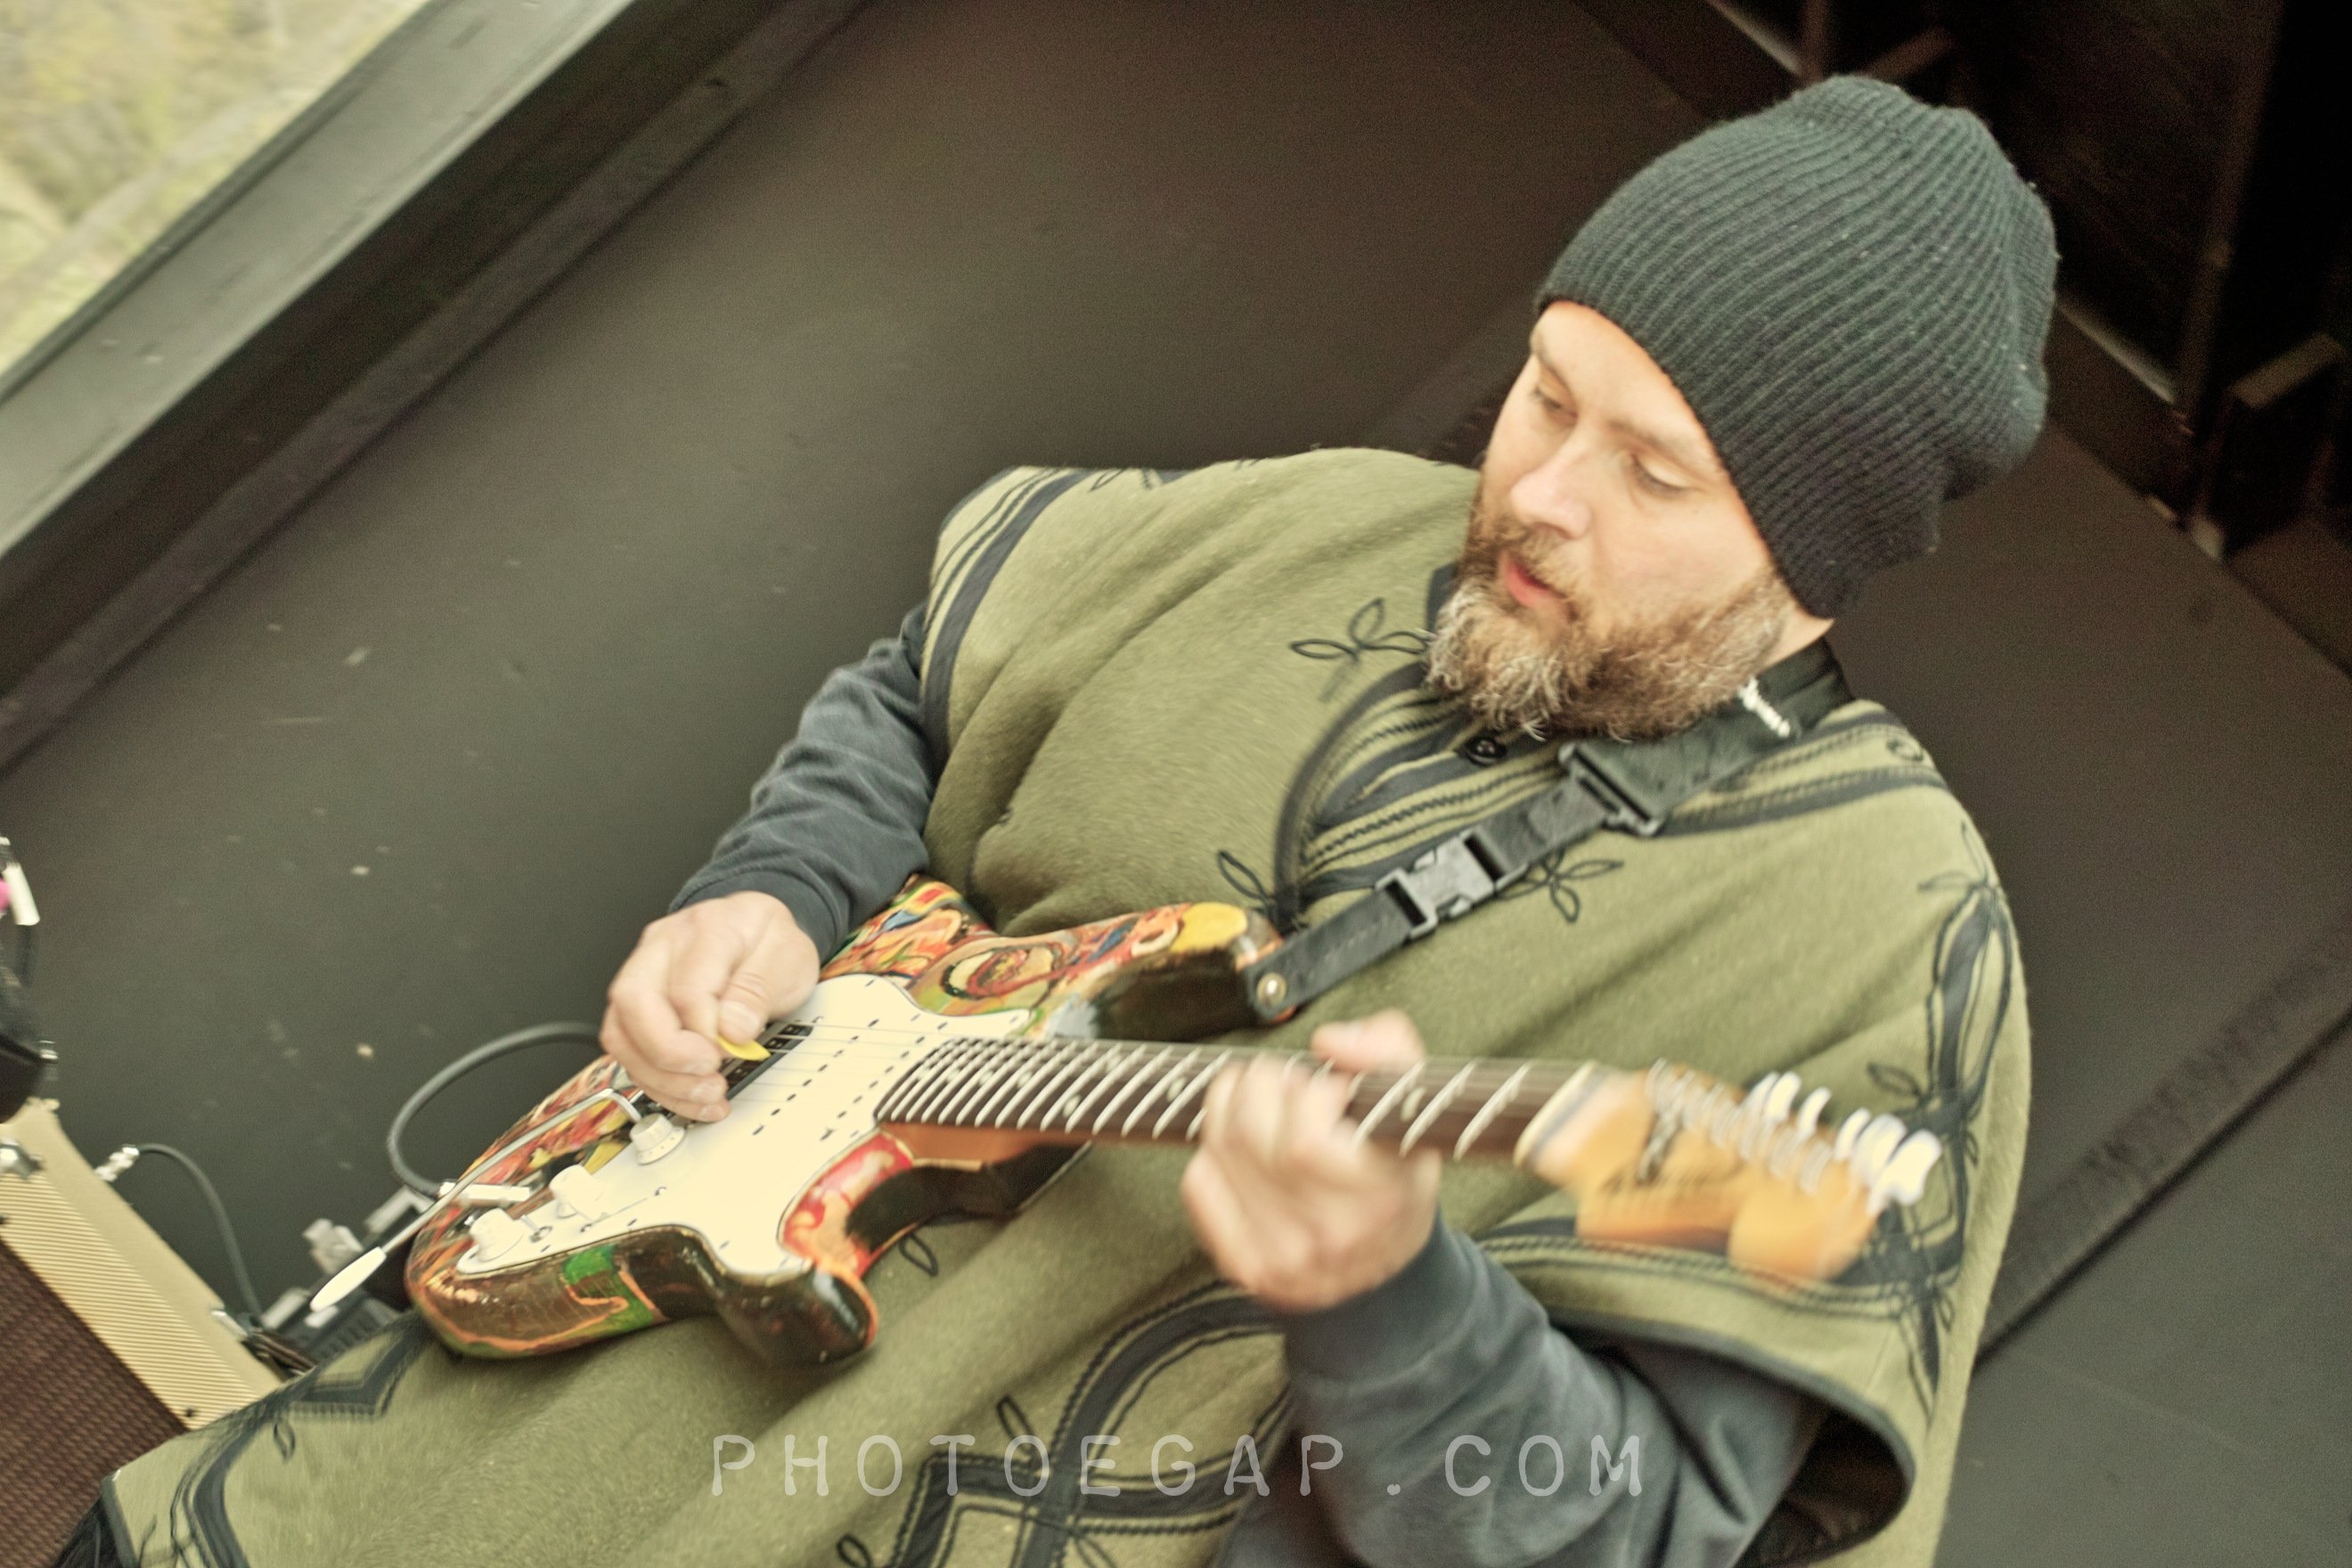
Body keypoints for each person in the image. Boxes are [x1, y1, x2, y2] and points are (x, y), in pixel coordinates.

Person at [84, 73, 2048, 1568]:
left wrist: (1394, 1299)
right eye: (1549, 395)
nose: (1539, 491)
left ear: (1817, 548)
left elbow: (1629, 1528)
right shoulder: (1314, 519)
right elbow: (921, 690)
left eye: (1654, 473)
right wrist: (778, 889)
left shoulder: (1871, 944)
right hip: (393, 1494)